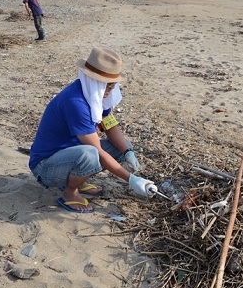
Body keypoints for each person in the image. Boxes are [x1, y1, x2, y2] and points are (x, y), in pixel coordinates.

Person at [29, 47, 157, 213]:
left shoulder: (95, 96)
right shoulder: (75, 102)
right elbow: (97, 152)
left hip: (68, 154)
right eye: (109, 85)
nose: (112, 89)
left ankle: (78, 180)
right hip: (45, 167)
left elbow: (109, 126)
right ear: (96, 82)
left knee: (121, 146)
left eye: (114, 84)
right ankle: (70, 192)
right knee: (89, 155)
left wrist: (127, 152)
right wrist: (131, 180)